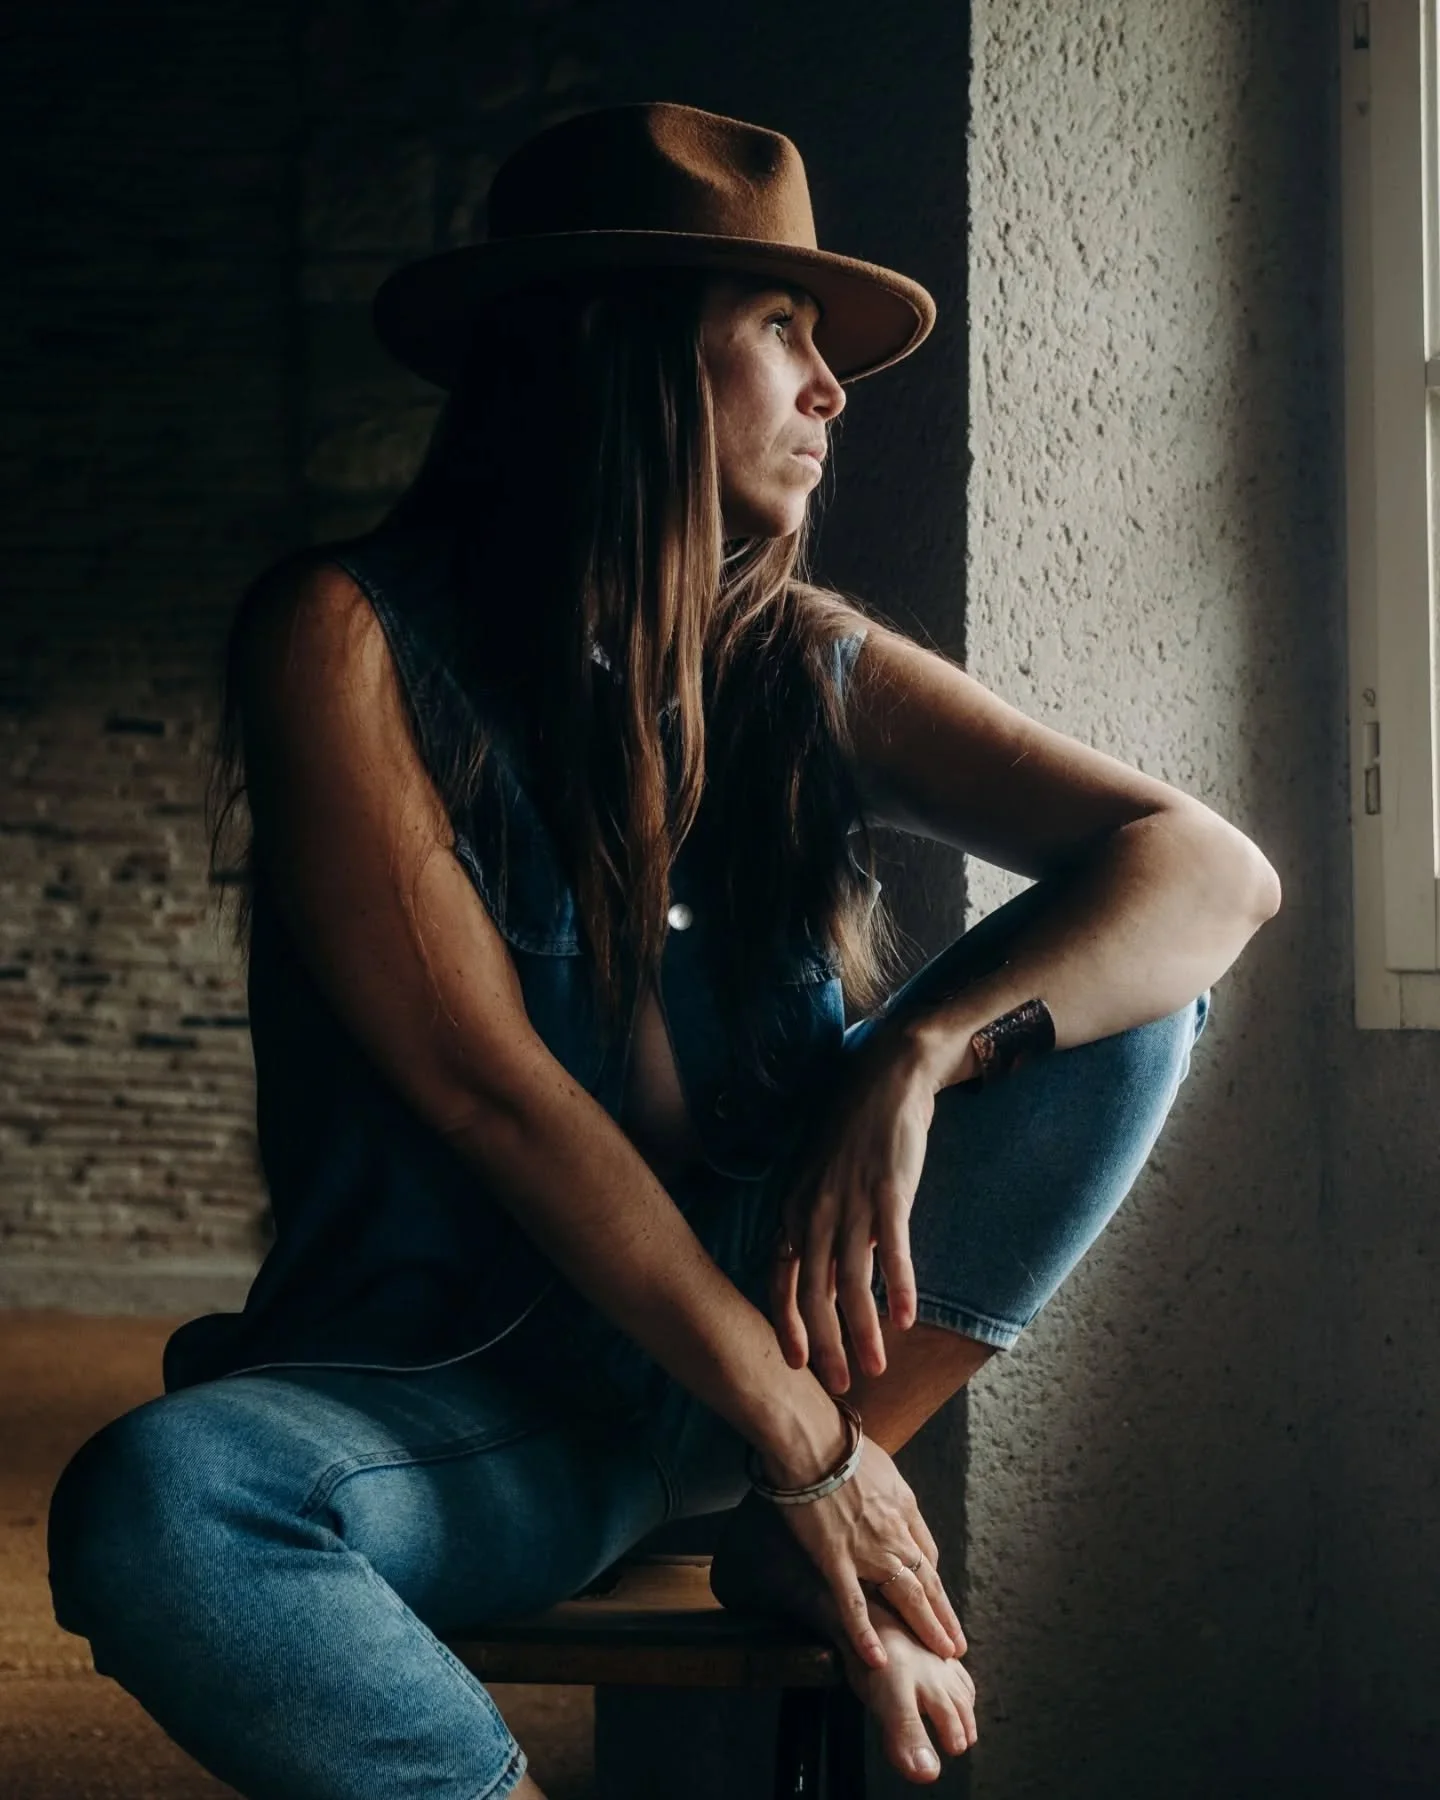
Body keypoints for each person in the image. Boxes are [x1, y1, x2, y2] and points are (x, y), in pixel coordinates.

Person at [45, 101, 1278, 1797]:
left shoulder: (799, 659)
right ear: (619, 348)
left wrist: (927, 1057)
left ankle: (796, 1504)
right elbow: (488, 1090)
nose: (832, 390)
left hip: (770, 1359)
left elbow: (1208, 872)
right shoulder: (344, 641)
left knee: (1126, 1006)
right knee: (161, 1505)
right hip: (463, 1403)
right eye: (781, 330)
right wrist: (805, 1445)